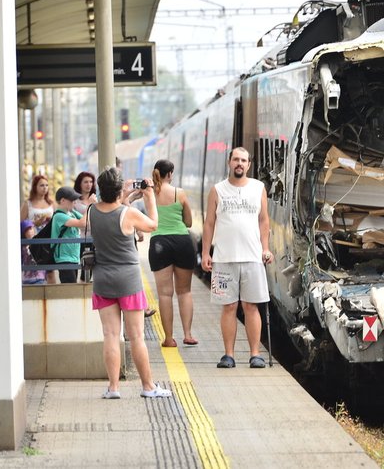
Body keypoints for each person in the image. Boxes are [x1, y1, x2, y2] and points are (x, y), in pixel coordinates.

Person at [88, 166, 172, 399]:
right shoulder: (128, 214)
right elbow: (153, 224)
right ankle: (148, 387)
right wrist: (149, 196)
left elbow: (112, 207)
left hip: (103, 279)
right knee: (136, 336)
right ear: (119, 189)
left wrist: (124, 196)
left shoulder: (91, 211)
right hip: (128, 280)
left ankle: (113, 388)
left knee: (110, 335)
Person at [201, 147, 274, 369]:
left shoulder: (258, 188)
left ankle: (255, 354)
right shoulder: (217, 190)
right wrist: (206, 252)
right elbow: (209, 223)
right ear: (229, 162)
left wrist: (266, 248)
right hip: (224, 259)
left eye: (243, 160)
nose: (239, 163)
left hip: (253, 257)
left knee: (251, 306)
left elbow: (264, 221)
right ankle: (228, 355)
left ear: (249, 164)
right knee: (229, 306)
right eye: (235, 159)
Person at [149, 159, 198, 347]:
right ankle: (188, 334)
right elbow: (189, 222)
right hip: (182, 241)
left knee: (164, 294)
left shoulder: (150, 193)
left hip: (159, 243)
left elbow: (127, 200)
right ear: (170, 174)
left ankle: (169, 338)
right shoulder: (180, 193)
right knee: (184, 291)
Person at [51, 187, 87, 284]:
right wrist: (90, 205)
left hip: (74, 258)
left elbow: (88, 222)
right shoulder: (59, 216)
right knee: (70, 289)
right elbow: (82, 223)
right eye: (72, 200)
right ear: (62, 201)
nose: (74, 202)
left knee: (72, 288)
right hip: (64, 259)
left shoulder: (72, 213)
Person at [20, 219, 46, 285]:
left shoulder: (40, 243)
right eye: (26, 230)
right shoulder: (22, 246)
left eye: (31, 228)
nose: (29, 231)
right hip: (26, 278)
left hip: (39, 277)